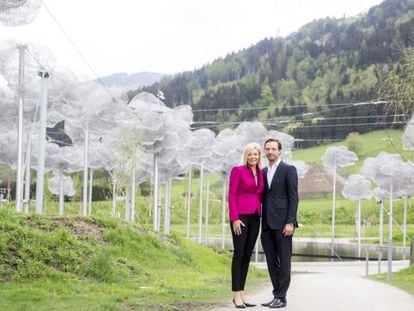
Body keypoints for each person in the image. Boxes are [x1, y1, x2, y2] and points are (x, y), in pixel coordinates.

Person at [260, 138, 298, 309]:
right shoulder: (262, 172)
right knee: (270, 261)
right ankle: (277, 294)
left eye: (273, 149)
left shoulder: (288, 169)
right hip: (266, 224)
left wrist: (290, 222)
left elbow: (293, 197)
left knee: (284, 261)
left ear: (279, 151)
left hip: (283, 224)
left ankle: (281, 297)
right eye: (267, 149)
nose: (270, 152)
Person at [228, 142, 264, 308]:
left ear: (259, 156)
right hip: (240, 217)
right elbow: (232, 195)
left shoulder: (261, 173)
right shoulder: (238, 170)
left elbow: (260, 194)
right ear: (246, 156)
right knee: (239, 255)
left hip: (255, 216)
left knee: (247, 255)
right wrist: (234, 218)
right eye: (250, 154)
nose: (253, 157)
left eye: (255, 154)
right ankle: (236, 295)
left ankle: (242, 293)